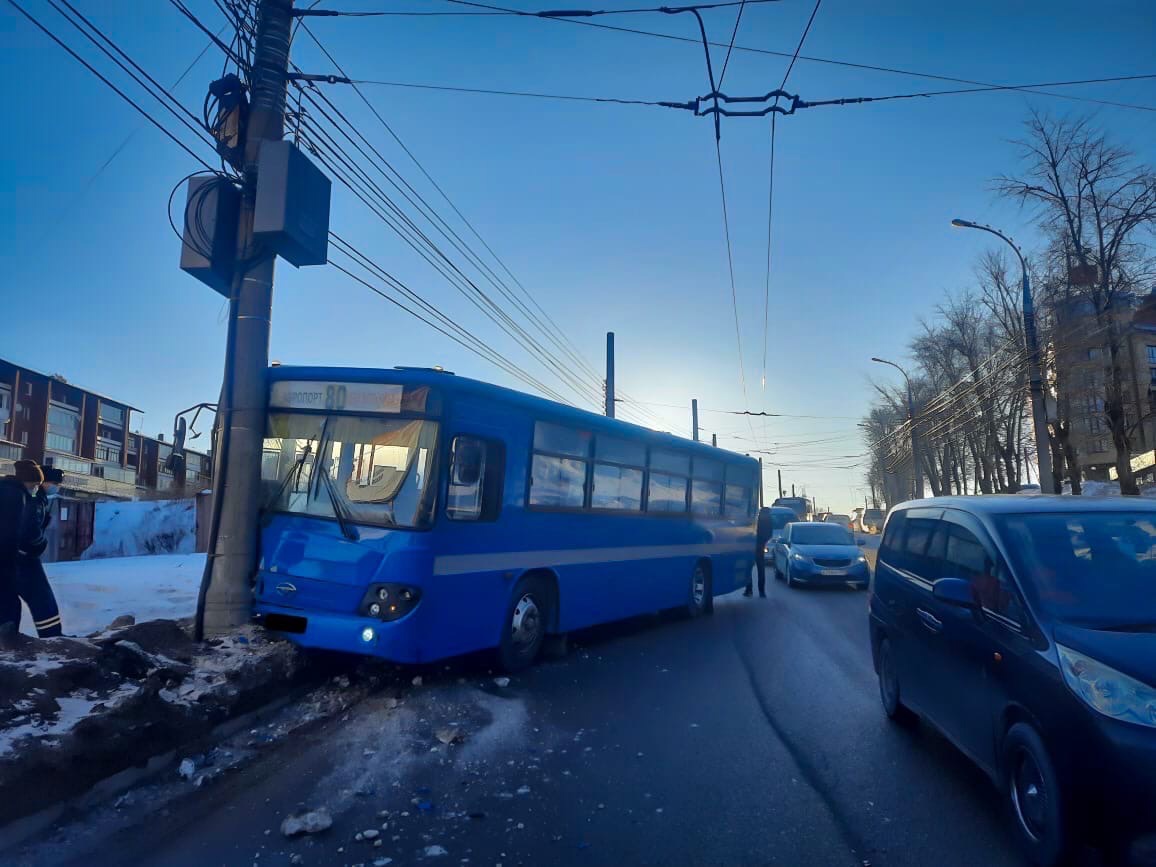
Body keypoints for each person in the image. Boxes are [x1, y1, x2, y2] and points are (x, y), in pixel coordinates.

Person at [14, 466, 64, 636]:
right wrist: (39, 544)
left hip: (13, 556)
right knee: (42, 597)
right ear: (43, 482)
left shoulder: (27, 495)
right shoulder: (34, 498)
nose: (57, 487)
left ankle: (8, 639)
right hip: (24, 558)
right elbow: (30, 528)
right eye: (55, 483)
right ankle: (52, 637)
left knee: (9, 599)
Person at [0, 460, 43, 630]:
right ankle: (8, 643)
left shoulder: (5, 490)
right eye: (34, 485)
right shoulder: (16, 496)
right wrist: (36, 545)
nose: (35, 489)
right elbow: (21, 531)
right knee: (8, 602)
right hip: (6, 559)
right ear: (26, 481)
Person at [744, 506, 774, 598]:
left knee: (748, 569)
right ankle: (761, 591)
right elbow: (769, 535)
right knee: (761, 570)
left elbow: (749, 532)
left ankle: (749, 590)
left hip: (751, 547)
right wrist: (763, 542)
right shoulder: (769, 522)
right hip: (760, 548)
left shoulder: (756, 520)